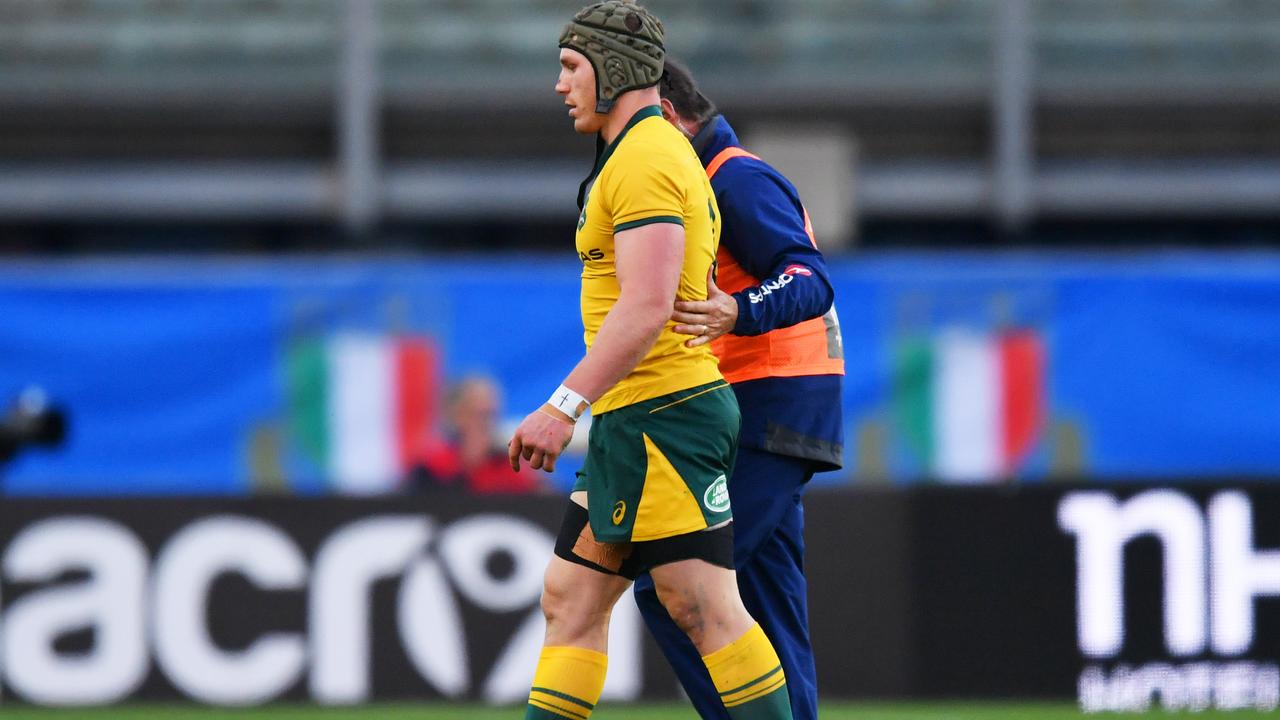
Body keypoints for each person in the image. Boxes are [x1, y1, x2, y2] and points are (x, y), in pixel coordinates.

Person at [507, 3, 794, 719]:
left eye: (572, 67)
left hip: (667, 415)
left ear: (614, 72)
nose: (559, 85)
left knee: (703, 607)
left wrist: (559, 407)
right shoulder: (639, 153)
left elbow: (646, 306)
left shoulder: (647, 157)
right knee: (570, 597)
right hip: (635, 418)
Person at [632, 59, 846, 720]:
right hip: (774, 403)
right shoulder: (716, 176)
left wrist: (741, 311)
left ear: (668, 115)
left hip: (769, 402)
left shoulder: (734, 178)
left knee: (673, 588)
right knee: (769, 609)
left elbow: (809, 278)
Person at [408, 375, 544, 494]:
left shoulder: (509, 468)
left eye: (491, 416)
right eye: (480, 415)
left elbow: (546, 504)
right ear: (457, 416)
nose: (485, 425)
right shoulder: (433, 466)